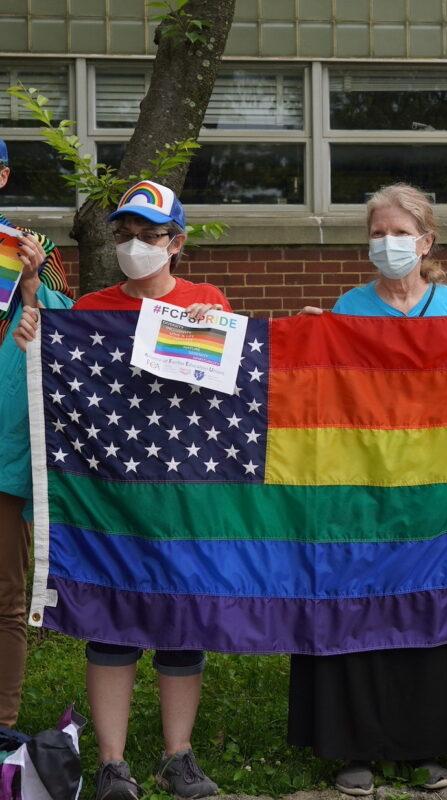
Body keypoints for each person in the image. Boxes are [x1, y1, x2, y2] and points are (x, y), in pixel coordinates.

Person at [15, 180, 227, 799]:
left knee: (181, 621)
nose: (135, 244)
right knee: (112, 618)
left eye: (150, 234)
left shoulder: (209, 299)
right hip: (110, 491)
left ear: (176, 243)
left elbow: (228, 386)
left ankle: (178, 756)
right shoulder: (91, 310)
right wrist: (37, 342)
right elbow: (61, 382)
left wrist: (215, 328)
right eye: (125, 233)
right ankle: (111, 763)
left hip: (185, 490)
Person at [289, 182, 447, 796]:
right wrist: (309, 341)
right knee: (359, 609)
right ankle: (355, 746)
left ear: (426, 241)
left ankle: (428, 744)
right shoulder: (347, 309)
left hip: (436, 494)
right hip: (363, 494)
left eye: (400, 232)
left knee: (430, 607)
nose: (388, 243)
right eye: (378, 233)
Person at [0, 137, 74, 730]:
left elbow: (67, 337)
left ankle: (1, 721)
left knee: (4, 597)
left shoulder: (33, 252)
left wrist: (28, 284)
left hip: (5, 453)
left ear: (3, 176)